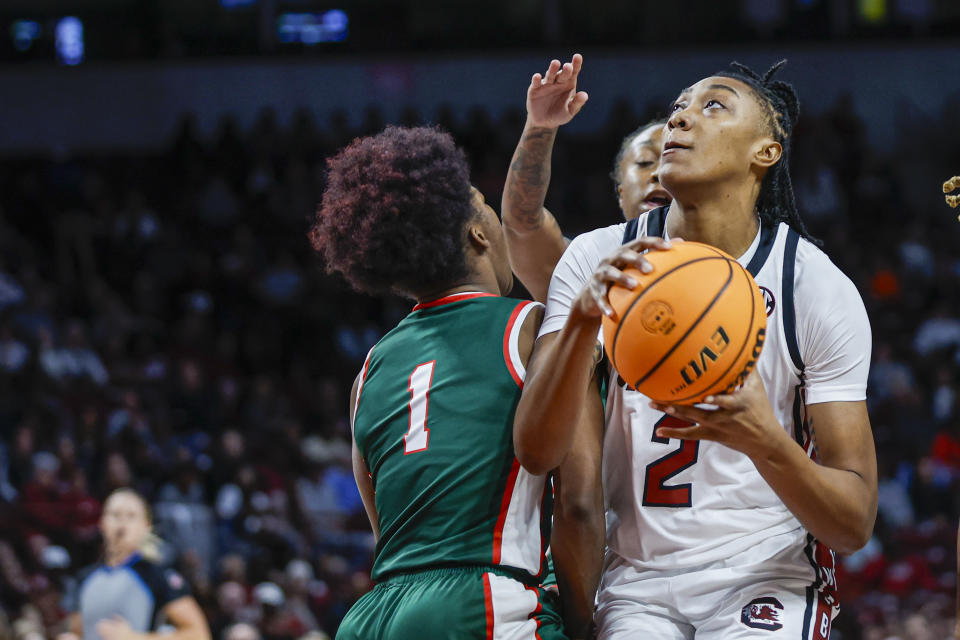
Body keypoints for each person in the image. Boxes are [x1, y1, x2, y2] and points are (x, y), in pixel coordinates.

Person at [514, 59, 878, 638]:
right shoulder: (596, 260)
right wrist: (585, 321)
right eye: (679, 106)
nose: (680, 118)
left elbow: (854, 522)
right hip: (636, 586)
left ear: (766, 152)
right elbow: (536, 452)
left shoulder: (812, 285)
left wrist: (766, 442)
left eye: (713, 106)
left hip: (768, 575)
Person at [308, 125, 602, 640]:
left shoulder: (370, 367)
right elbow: (577, 503)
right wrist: (581, 625)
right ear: (479, 233)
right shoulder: (531, 327)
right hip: (480, 604)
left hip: (373, 615)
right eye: (485, 204)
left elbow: (388, 532)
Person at [502, 53, 671, 303]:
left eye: (671, 160)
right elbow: (522, 223)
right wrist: (541, 126)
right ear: (620, 192)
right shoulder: (586, 261)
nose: (659, 173)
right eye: (645, 162)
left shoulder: (729, 253)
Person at [65, 489, 210, 640]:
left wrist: (136, 638)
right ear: (102, 523)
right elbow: (77, 631)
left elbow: (199, 634)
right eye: (115, 515)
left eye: (131, 516)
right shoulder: (84, 578)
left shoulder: (157, 575)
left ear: (146, 526)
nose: (122, 523)